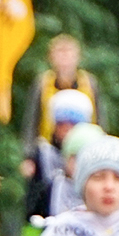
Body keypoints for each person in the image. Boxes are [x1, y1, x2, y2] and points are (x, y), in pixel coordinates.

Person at [18, 34, 101, 172]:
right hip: (49, 147)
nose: (65, 60)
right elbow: (32, 120)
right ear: (51, 57)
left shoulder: (89, 83)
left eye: (69, 54)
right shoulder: (43, 83)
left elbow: (99, 119)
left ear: (77, 57)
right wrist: (29, 156)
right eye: (60, 54)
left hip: (84, 148)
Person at [25, 91, 96, 223]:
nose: (66, 129)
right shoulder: (43, 154)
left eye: (72, 124)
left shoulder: (94, 151)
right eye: (61, 124)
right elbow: (34, 200)